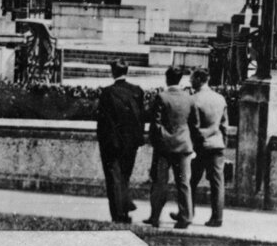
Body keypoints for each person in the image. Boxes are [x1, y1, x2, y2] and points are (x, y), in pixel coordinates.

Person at [95, 59, 146, 223]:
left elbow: (102, 121)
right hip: (130, 143)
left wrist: (103, 141)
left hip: (112, 143)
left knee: (114, 179)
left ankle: (119, 214)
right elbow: (141, 117)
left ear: (113, 72)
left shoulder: (107, 92)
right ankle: (124, 209)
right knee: (124, 176)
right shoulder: (137, 91)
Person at [145, 66, 196, 229]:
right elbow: (194, 123)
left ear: (167, 78)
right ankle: (186, 217)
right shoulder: (189, 97)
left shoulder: (162, 97)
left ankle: (155, 217)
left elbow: (155, 123)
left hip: (164, 148)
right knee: (184, 183)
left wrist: (159, 140)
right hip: (183, 146)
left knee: (160, 183)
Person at [188, 67, 229, 228]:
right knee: (217, 183)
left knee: (190, 181)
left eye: (192, 78)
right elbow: (224, 125)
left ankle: (188, 213)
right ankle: (217, 217)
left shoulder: (194, 99)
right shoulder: (220, 98)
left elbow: (193, 126)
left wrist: (194, 143)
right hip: (217, 145)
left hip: (199, 147)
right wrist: (222, 143)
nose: (190, 81)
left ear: (198, 80)